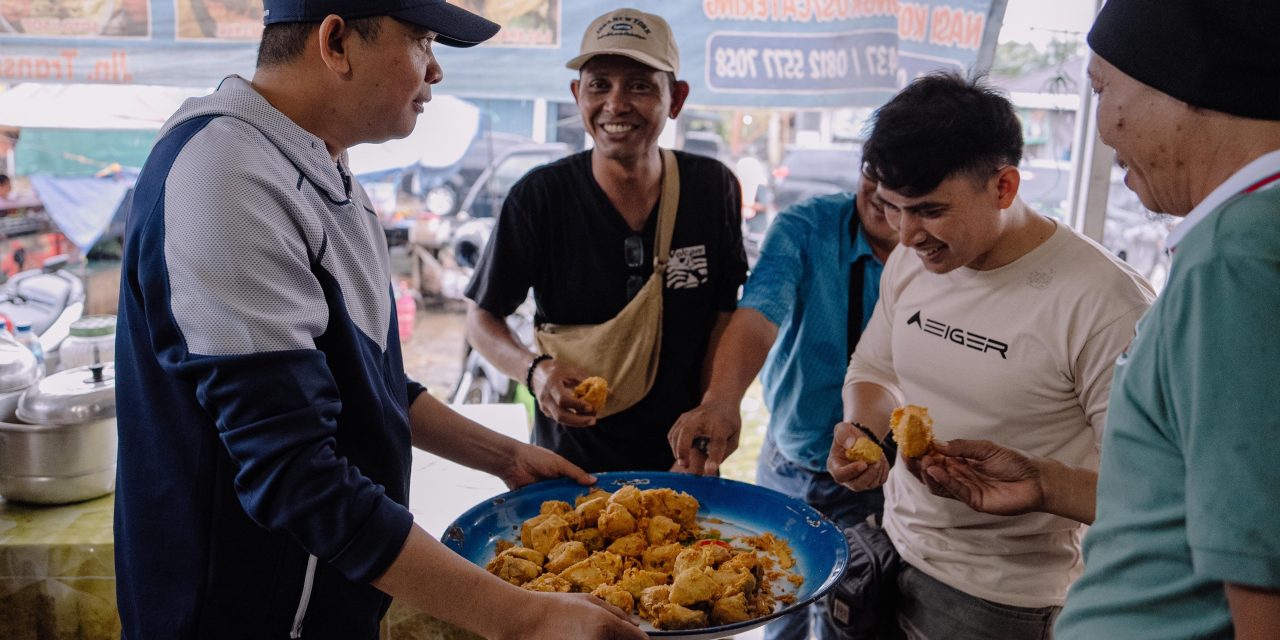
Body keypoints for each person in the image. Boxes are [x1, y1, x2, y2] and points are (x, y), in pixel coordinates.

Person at [114, 2, 646, 638]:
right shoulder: (225, 181)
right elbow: (294, 474)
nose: (436, 72)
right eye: (421, 41)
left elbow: (365, 381)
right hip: (238, 612)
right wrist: (525, 617)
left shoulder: (321, 169)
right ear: (336, 41)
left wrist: (504, 457)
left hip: (326, 600)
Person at [911, 2, 1280, 638]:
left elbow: (1262, 564)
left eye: (1104, 87)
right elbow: (1197, 495)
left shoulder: (1238, 254)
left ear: (1182, 82)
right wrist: (1046, 483)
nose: (1104, 130)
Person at [825, 72, 1155, 639]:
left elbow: (1151, 490)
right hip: (886, 548)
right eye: (890, 209)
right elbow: (876, 369)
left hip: (1002, 598)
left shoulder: (1105, 303)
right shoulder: (918, 260)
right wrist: (861, 429)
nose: (905, 235)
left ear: (1003, 187)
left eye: (928, 210)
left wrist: (1044, 484)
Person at [465, 7, 747, 473]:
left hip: (682, 461)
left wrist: (710, 414)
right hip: (570, 465)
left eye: (639, 85)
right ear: (578, 96)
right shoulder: (539, 197)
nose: (616, 104)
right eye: (599, 85)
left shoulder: (711, 188)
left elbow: (723, 315)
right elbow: (481, 318)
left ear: (675, 99)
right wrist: (536, 373)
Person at [668, 174, 896, 639]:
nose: (880, 192)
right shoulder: (807, 226)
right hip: (790, 462)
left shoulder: (934, 252)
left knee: (851, 620)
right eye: (873, 173)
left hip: (881, 479)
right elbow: (758, 315)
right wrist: (721, 401)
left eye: (902, 185)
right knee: (772, 602)